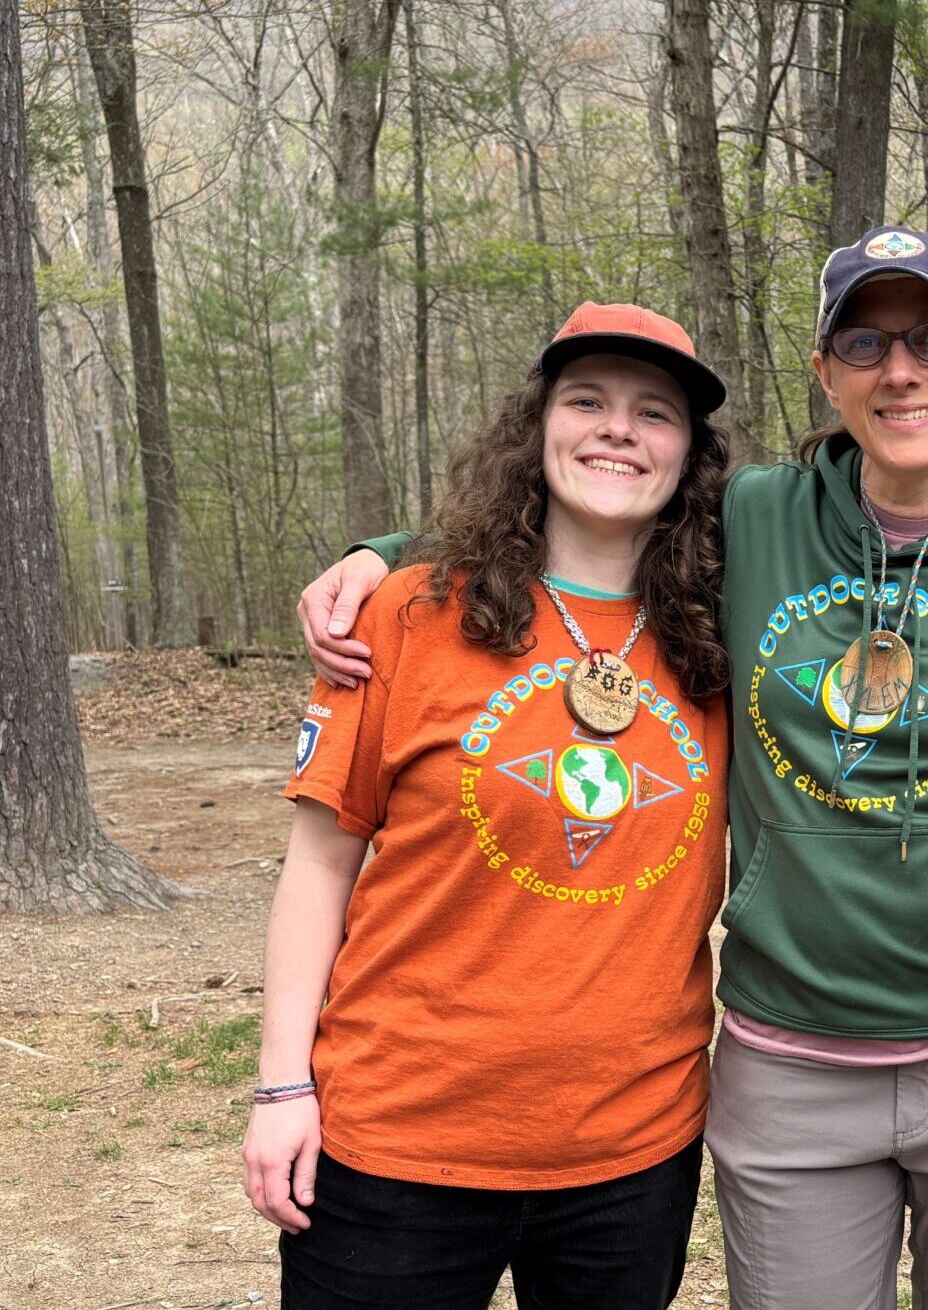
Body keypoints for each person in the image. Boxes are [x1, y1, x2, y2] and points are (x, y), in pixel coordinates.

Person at [299, 226, 928, 1310]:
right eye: (865, 343)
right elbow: (590, 506)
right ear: (826, 372)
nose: (902, 368)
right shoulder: (758, 519)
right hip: (794, 1045)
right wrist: (383, 550)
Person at [245, 302, 733, 1309]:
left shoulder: (724, 639)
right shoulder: (405, 612)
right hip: (398, 1138)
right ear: (536, 424)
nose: (616, 429)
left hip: (631, 1149)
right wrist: (282, 1082)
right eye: (586, 399)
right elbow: (319, 863)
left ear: (689, 455)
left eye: (654, 413)